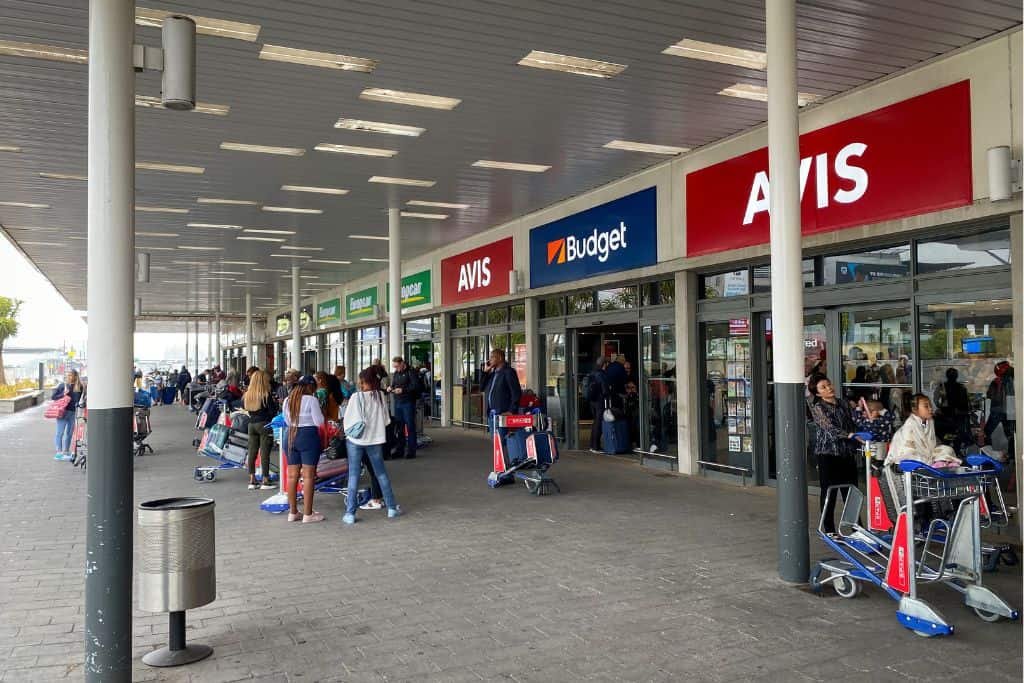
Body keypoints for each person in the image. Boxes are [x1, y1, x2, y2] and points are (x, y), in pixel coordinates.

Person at [342, 368, 401, 524]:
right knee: (381, 473)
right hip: (375, 441)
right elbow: (387, 421)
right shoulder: (380, 396)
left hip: (356, 441)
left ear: (363, 381)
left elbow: (347, 420)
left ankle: (350, 514)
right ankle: (391, 508)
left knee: (353, 475)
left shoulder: (356, 397)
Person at [808, 376, 863, 535]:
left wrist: (860, 425)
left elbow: (852, 423)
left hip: (846, 452)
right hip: (828, 454)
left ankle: (856, 527)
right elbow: (830, 429)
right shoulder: (818, 407)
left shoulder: (843, 403)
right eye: (823, 387)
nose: (829, 388)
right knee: (829, 492)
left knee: (852, 491)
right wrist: (851, 435)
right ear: (818, 394)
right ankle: (829, 529)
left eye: (829, 384)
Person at [282, 375, 325, 523]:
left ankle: (293, 512)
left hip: (290, 435)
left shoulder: (288, 400)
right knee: (308, 476)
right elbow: (319, 422)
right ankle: (308, 514)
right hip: (308, 436)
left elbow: (286, 420)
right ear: (310, 387)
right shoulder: (311, 400)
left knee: (292, 476)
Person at [885, 394, 961, 468]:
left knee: (947, 449)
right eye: (926, 406)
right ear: (915, 410)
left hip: (927, 455)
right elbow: (908, 449)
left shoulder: (930, 421)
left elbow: (931, 443)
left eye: (930, 405)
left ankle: (940, 463)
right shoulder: (910, 425)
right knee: (913, 457)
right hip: (906, 456)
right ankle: (937, 464)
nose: (930, 409)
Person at [243, 370, 278, 491]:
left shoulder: (248, 395)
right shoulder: (265, 394)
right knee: (264, 453)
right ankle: (265, 479)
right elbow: (272, 411)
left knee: (252, 452)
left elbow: (246, 409)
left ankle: (252, 479)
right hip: (264, 424)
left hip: (251, 425)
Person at [389, 356, 423, 459]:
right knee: (399, 427)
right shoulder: (396, 373)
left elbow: (416, 386)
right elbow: (394, 384)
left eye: (397, 366)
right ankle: (400, 450)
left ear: (402, 363)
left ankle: (411, 451)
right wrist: (391, 388)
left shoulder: (411, 372)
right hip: (398, 402)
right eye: (394, 367)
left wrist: (403, 390)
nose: (396, 369)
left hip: (408, 402)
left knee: (410, 426)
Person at [51, 370, 84, 461]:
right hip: (62, 412)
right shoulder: (62, 386)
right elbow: (53, 397)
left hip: (73, 413)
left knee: (69, 433)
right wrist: (63, 394)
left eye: (71, 375)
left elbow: (79, 400)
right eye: (68, 375)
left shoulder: (79, 387)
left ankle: (66, 451)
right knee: (60, 433)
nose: (69, 377)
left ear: (75, 376)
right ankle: (59, 452)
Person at [985, 361, 1015, 450]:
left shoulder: (997, 381)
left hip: (997, 410)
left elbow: (989, 395)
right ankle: (1012, 455)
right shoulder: (1015, 381)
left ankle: (987, 452)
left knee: (987, 431)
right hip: (1010, 411)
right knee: (1011, 434)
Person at [585, 357, 611, 453]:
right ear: (604, 364)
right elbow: (605, 390)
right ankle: (596, 446)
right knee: (598, 424)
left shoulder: (592, 373)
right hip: (600, 401)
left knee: (595, 422)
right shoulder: (601, 374)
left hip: (592, 401)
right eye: (607, 364)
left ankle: (592, 445)